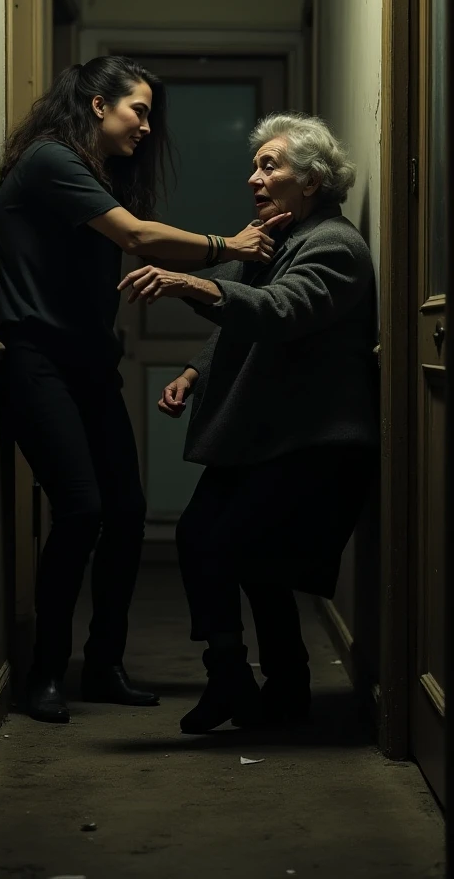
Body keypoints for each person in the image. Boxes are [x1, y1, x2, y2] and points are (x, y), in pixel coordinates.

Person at [0, 57, 289, 724]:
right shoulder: (49, 160)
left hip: (89, 363)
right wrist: (227, 244)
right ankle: (45, 672)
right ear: (98, 105)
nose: (148, 128)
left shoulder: (97, 172)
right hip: (35, 358)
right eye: (140, 111)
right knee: (79, 509)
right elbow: (136, 236)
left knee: (125, 511)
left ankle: (103, 665)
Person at [119, 112, 379, 734]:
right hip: (276, 434)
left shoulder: (334, 246)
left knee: (224, 545)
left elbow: (278, 310)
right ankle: (267, 685)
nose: (254, 177)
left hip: (314, 441)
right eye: (255, 165)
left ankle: (238, 680)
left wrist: (185, 279)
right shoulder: (282, 237)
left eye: (271, 165)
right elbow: (244, 313)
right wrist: (195, 370)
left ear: (311, 180)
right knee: (238, 551)